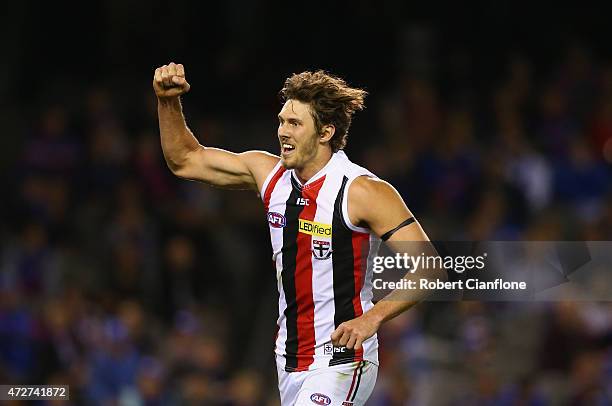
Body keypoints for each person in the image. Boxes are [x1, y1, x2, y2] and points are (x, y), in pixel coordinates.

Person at [153, 62, 443, 405]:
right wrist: (167, 102)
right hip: (288, 360)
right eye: (281, 121)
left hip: (343, 359)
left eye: (294, 123)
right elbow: (185, 160)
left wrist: (372, 319)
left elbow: (430, 267)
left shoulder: (362, 191)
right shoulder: (269, 175)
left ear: (325, 133)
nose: (282, 132)